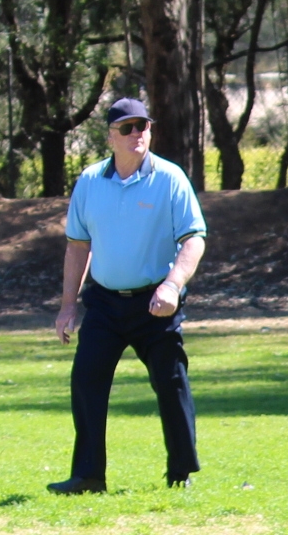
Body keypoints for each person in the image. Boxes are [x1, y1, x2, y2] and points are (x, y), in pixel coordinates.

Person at [49, 97, 207, 495]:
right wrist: (69, 305)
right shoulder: (89, 182)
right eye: (128, 128)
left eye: (143, 126)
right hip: (103, 301)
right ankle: (87, 476)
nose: (137, 134)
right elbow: (77, 246)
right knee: (87, 380)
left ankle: (180, 473)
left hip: (156, 302)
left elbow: (193, 238)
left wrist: (172, 285)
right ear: (110, 137)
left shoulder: (170, 178)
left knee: (171, 382)